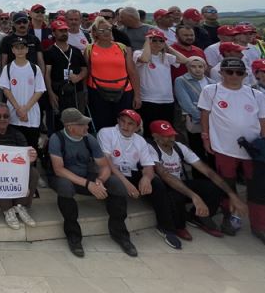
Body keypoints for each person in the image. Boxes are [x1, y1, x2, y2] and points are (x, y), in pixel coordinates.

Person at [198, 58, 265, 247]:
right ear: (221, 72)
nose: (234, 76)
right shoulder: (211, 91)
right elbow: (205, 115)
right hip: (224, 148)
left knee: (258, 190)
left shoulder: (256, 95)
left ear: (245, 75)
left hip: (254, 151)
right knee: (227, 186)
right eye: (229, 72)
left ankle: (261, 227)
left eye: (239, 73)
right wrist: (206, 137)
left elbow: (264, 123)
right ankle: (228, 219)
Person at [48, 108, 135, 258]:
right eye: (82, 124)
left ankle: (120, 233)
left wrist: (99, 181)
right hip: (66, 178)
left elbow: (104, 165)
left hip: (88, 177)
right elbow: (59, 170)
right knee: (65, 187)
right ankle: (74, 236)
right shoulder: (57, 139)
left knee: (116, 184)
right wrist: (89, 184)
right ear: (70, 126)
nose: (87, 127)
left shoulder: (89, 139)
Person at [148, 120, 247, 239]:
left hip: (179, 184)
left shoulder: (179, 147)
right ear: (155, 136)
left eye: (172, 134)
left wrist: (232, 195)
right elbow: (165, 176)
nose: (172, 138)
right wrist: (194, 196)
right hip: (162, 188)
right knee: (176, 195)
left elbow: (208, 172)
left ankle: (198, 217)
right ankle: (180, 227)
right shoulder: (150, 148)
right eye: (166, 136)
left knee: (213, 187)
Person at [97, 110, 181, 249]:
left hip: (130, 171)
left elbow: (148, 166)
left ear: (137, 127)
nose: (125, 126)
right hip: (111, 172)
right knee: (118, 187)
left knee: (157, 183)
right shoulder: (106, 133)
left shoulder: (140, 140)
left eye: (130, 123)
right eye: (122, 121)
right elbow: (107, 162)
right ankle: (121, 236)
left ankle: (167, 228)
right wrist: (127, 184)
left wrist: (147, 178)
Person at [0, 102, 39, 229]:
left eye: (5, 116)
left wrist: (31, 158)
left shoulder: (17, 134)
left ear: (9, 118)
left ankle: (20, 206)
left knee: (33, 172)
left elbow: (26, 158)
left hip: (15, 171)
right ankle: (8, 210)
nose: (2, 119)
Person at [85, 16, 140, 130]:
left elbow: (132, 72)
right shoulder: (89, 49)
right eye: (102, 30)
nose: (106, 33)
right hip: (97, 93)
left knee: (123, 125)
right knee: (102, 126)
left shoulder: (122, 47)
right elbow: (86, 72)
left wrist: (137, 95)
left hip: (123, 92)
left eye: (108, 29)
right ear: (95, 33)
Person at [134, 30, 191, 127]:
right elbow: (145, 59)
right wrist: (147, 42)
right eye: (154, 40)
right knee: (150, 130)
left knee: (166, 128)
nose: (158, 43)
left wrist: (168, 48)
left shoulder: (165, 56)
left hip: (167, 99)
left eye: (161, 41)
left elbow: (185, 60)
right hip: (148, 99)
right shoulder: (138, 53)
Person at [0, 37, 46, 152]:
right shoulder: (8, 68)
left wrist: (25, 109)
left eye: (22, 48)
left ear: (27, 50)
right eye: (17, 48)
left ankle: (30, 170)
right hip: (13, 115)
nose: (20, 51)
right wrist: (18, 109)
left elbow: (39, 90)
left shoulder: (35, 69)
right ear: (12, 50)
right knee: (14, 150)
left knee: (30, 150)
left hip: (32, 116)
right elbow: (6, 90)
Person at [44, 20, 88, 125]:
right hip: (59, 92)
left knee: (78, 120)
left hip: (77, 91)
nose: (64, 33)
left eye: (65, 31)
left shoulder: (76, 51)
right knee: (60, 121)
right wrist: (50, 93)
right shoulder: (49, 52)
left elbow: (85, 69)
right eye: (60, 31)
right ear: (54, 33)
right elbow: (47, 74)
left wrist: (79, 77)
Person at [173, 57, 213, 160]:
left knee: (213, 152)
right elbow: (186, 103)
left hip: (213, 122)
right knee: (198, 151)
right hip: (197, 121)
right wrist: (204, 119)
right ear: (188, 68)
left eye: (200, 66)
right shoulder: (181, 80)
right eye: (193, 66)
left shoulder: (212, 82)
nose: (197, 69)